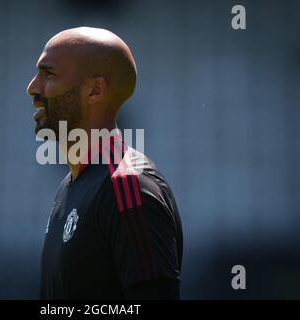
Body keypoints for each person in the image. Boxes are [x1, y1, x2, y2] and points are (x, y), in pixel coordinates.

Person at [27, 27, 183, 299]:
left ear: (95, 90)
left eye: (48, 75)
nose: (32, 88)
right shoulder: (72, 183)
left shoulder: (129, 187)